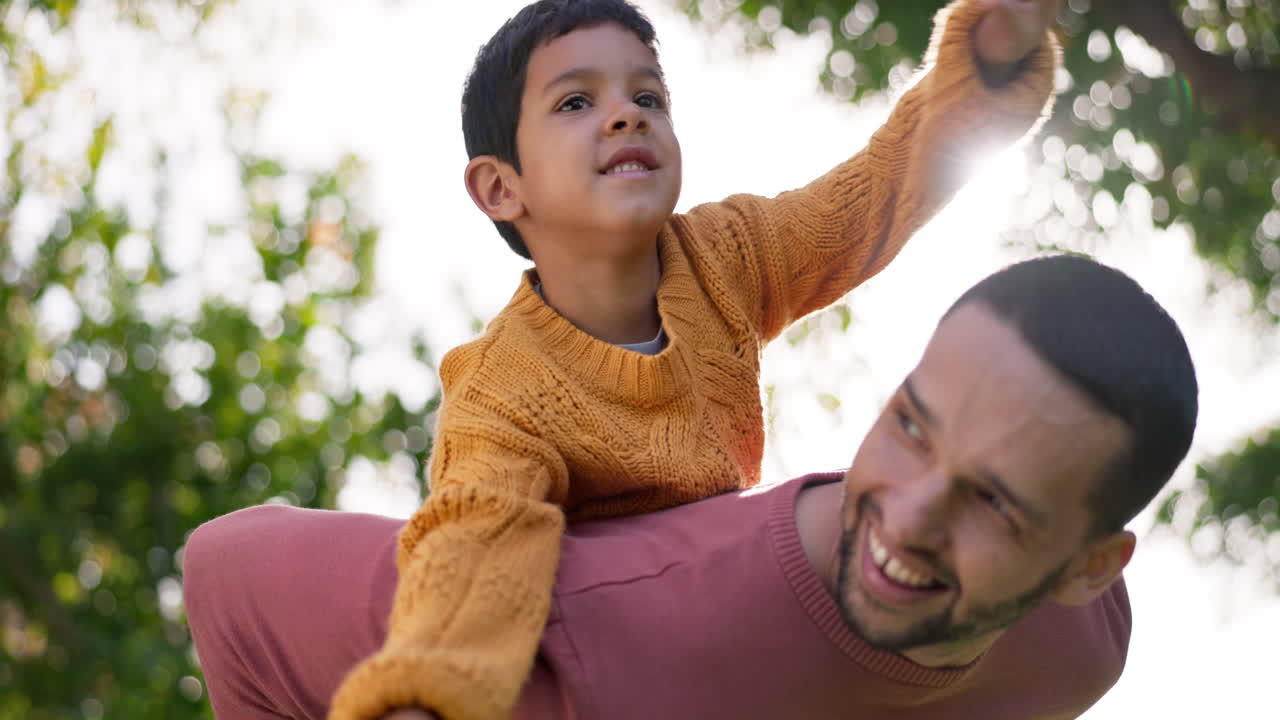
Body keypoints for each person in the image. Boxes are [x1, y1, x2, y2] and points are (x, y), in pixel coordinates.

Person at [307, 0, 1061, 717]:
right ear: (502, 187)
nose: (626, 113)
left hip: (734, 614)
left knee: (1058, 608)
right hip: (610, 643)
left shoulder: (725, 256)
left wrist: (986, 63)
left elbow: (870, 199)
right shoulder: (503, 390)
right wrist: (426, 698)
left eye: (650, 97)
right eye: (575, 103)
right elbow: (476, 537)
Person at [184, 254, 1200, 719]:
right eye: (908, 426)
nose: (908, 511)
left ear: (1087, 566)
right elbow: (230, 574)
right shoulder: (599, 632)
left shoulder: (1081, 645)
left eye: (992, 502)